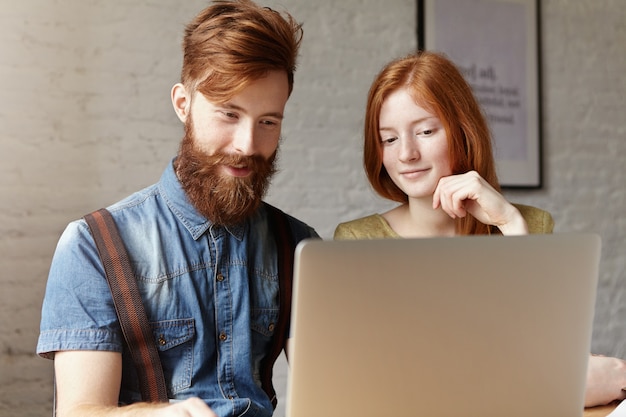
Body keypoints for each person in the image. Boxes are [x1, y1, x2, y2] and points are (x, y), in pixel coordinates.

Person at [37, 1, 318, 416]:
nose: (246, 144)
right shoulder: (92, 245)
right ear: (183, 104)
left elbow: (336, 394)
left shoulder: (298, 246)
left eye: (268, 122)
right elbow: (80, 412)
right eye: (229, 114)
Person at [334, 50, 626, 408]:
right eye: (389, 139)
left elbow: (551, 356)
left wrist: (509, 224)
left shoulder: (531, 226)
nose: (406, 153)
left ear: (462, 131)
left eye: (425, 131)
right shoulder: (357, 242)